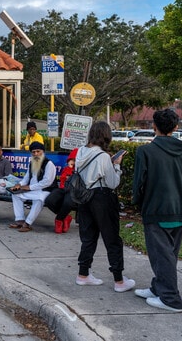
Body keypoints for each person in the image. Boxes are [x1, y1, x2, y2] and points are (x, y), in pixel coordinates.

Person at [132, 109, 182, 312]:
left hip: (156, 210)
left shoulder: (145, 151)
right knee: (168, 254)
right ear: (176, 127)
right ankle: (158, 288)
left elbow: (138, 185)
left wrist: (140, 204)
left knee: (162, 255)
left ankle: (171, 299)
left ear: (154, 126)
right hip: (178, 209)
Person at [74, 121, 135, 293]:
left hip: (85, 198)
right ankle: (119, 280)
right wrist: (116, 165)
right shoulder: (102, 156)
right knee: (112, 239)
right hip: (102, 198)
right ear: (106, 136)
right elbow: (113, 183)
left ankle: (83, 274)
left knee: (88, 237)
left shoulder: (81, 151)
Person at [8, 141, 57, 232]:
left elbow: (47, 182)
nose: (36, 154)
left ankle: (27, 224)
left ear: (43, 152)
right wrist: (20, 184)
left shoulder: (49, 164)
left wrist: (29, 187)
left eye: (38, 151)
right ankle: (20, 220)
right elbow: (26, 178)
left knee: (39, 199)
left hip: (45, 190)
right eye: (33, 152)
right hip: (32, 189)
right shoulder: (32, 163)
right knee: (15, 194)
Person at [45, 148, 78, 234]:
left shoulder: (81, 170)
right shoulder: (66, 169)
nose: (73, 162)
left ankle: (59, 219)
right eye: (72, 160)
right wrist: (69, 169)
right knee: (50, 200)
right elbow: (63, 179)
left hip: (73, 191)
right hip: (63, 188)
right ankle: (65, 217)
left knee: (68, 202)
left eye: (75, 160)